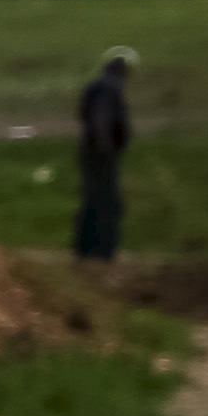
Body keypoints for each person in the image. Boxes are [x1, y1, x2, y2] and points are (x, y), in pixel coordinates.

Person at [74, 47, 135, 262]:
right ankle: (103, 251)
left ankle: (85, 250)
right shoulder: (110, 88)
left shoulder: (97, 86)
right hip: (101, 153)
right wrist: (106, 146)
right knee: (108, 201)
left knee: (93, 198)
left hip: (91, 150)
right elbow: (101, 118)